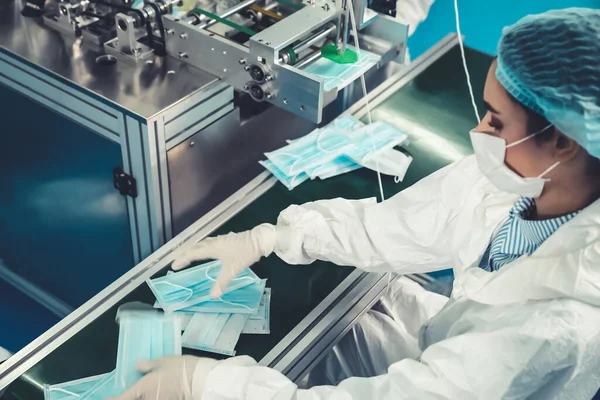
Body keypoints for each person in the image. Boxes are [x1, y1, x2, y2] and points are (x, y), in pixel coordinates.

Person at [109, 7, 600, 400]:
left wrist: (209, 385)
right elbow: (398, 227)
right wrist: (273, 237)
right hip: (451, 333)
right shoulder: (528, 180)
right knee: (360, 311)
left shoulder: (554, 327)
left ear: (565, 142)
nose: (478, 132)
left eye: (495, 120)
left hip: (471, 381)